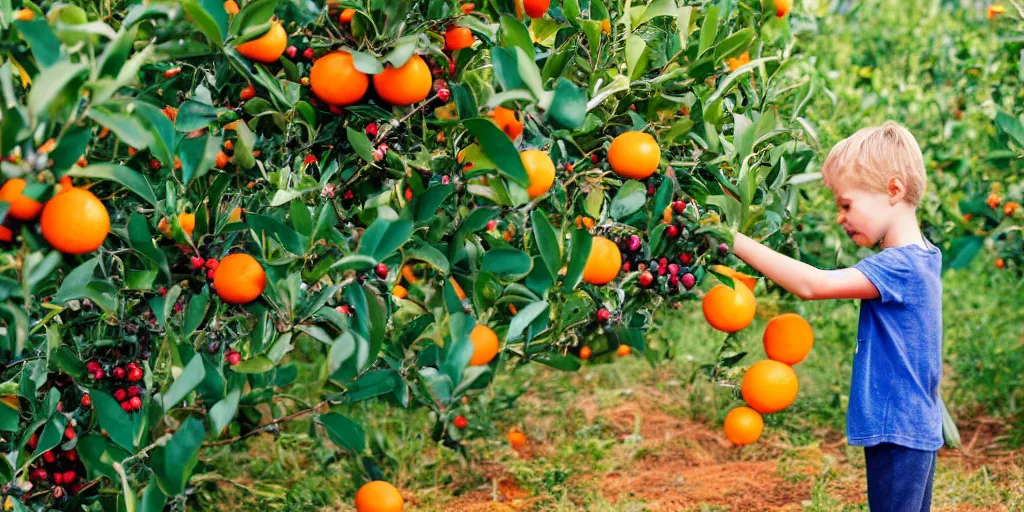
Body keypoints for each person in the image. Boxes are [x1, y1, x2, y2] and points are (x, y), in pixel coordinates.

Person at [731, 121, 943, 511]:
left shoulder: (901, 266)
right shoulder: (925, 255)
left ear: (893, 191)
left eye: (847, 205)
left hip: (899, 427)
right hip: (910, 426)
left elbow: (813, 285)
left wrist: (733, 240)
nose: (840, 218)